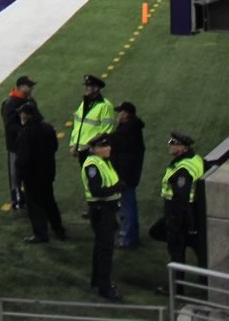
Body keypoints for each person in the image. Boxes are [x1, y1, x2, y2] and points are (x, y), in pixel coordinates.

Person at [157, 130, 206, 286]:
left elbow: (181, 197)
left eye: (174, 143)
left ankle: (177, 288)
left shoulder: (183, 169)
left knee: (176, 252)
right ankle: (203, 281)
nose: (169, 145)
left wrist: (180, 221)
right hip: (191, 212)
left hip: (179, 213)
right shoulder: (195, 159)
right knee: (197, 250)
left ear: (184, 148)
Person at [15, 101, 67, 243]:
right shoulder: (48, 128)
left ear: (27, 115)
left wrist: (19, 175)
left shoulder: (25, 133)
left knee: (35, 206)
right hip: (48, 172)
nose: (21, 115)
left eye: (22, 113)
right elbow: (54, 147)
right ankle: (58, 229)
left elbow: (23, 159)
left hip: (32, 176)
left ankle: (41, 234)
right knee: (50, 201)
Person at [82, 132, 124, 301]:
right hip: (101, 211)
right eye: (105, 146)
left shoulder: (102, 162)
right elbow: (97, 191)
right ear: (96, 149)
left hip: (106, 210)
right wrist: (117, 187)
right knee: (105, 249)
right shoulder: (92, 165)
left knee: (100, 246)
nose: (109, 149)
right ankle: (104, 287)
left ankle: (97, 280)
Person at [110, 102, 146, 248]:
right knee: (128, 205)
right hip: (129, 175)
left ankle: (127, 238)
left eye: (120, 112)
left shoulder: (127, 131)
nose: (118, 114)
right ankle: (131, 235)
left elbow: (126, 158)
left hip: (126, 176)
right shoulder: (131, 128)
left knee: (127, 206)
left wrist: (122, 178)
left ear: (127, 114)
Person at [0, 75, 36, 210]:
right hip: (15, 145)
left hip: (30, 144)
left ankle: (29, 197)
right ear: (21, 86)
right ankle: (17, 200)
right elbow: (9, 125)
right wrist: (24, 129)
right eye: (29, 85)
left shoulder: (30, 101)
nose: (32, 88)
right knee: (15, 174)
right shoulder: (11, 103)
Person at [71, 74, 116, 163]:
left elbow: (107, 132)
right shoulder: (84, 103)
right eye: (86, 86)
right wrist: (74, 144)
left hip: (95, 151)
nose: (86, 88)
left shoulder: (105, 106)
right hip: (82, 150)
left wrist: (95, 148)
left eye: (89, 86)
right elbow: (78, 125)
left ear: (96, 88)